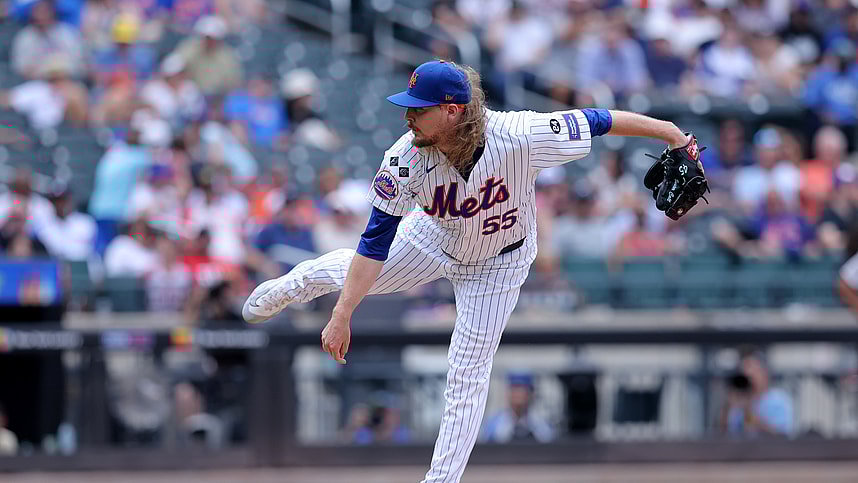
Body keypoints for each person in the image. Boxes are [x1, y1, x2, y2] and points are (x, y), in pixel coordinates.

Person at [242, 60, 701, 483]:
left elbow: (600, 120)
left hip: (500, 263)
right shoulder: (404, 159)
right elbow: (373, 246)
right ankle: (290, 286)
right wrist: (342, 314)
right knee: (350, 271)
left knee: (467, 371)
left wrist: (672, 135)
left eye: (420, 110)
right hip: (435, 239)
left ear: (453, 111)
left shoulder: (521, 134)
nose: (409, 117)